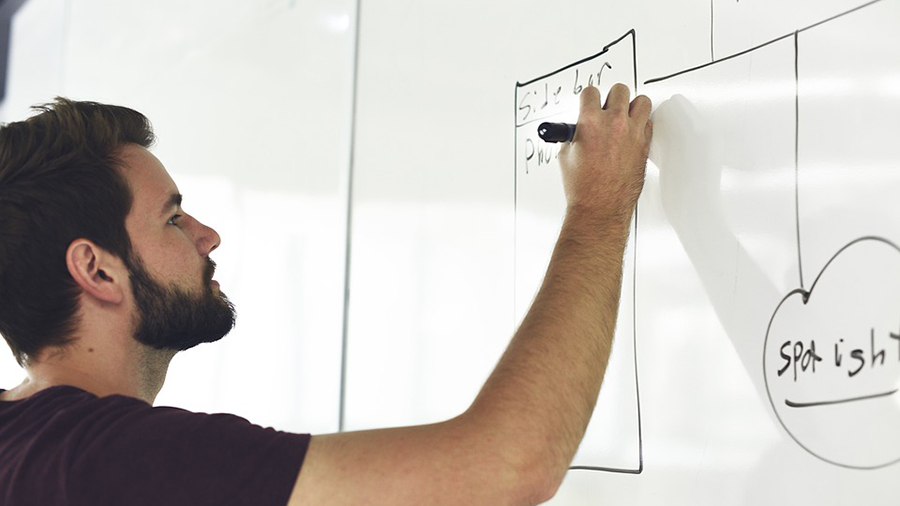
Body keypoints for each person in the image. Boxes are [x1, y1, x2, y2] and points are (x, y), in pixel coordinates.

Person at [0, 83, 651, 505]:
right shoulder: (117, 461)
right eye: (173, 218)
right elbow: (508, 465)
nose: (208, 236)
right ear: (98, 270)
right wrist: (598, 210)